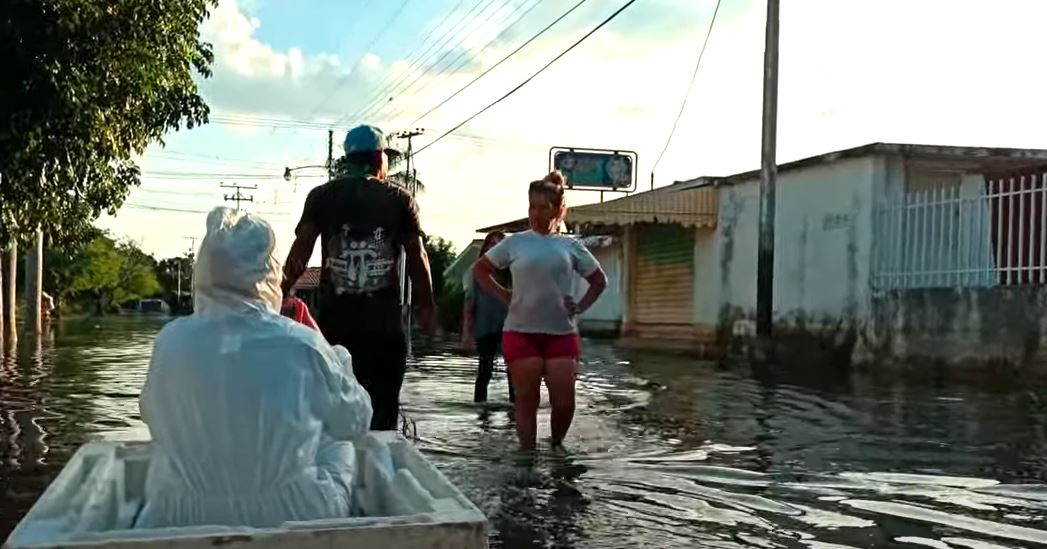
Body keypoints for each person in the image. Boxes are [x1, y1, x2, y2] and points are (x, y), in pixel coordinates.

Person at [138, 207, 373, 528]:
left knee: (166, 453)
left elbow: (154, 417)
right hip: (296, 513)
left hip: (178, 513)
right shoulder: (305, 344)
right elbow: (355, 423)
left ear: (204, 271)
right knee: (338, 442)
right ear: (271, 273)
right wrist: (340, 361)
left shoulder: (169, 341)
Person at [282, 124, 436, 431]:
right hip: (384, 332)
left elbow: (300, 254)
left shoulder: (321, 196)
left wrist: (278, 293)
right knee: (381, 421)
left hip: (334, 331)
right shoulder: (399, 199)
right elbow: (417, 256)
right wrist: (427, 309)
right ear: (380, 158)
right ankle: (377, 474)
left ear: (348, 159)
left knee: (334, 417)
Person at [473, 171, 607, 451]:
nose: (535, 213)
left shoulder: (570, 245)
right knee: (526, 400)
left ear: (558, 210)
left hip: (561, 333)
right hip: (521, 332)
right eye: (532, 206)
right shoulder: (516, 242)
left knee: (564, 403)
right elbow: (481, 269)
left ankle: (556, 447)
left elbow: (598, 281)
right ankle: (527, 457)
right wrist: (504, 294)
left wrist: (580, 307)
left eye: (543, 207)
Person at [460, 231, 513, 404]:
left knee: (514, 372)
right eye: (490, 244)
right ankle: (481, 418)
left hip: (510, 327)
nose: (493, 248)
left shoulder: (513, 272)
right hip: (485, 326)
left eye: (498, 244)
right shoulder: (477, 271)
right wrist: (467, 334)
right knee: (485, 370)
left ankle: (515, 415)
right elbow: (469, 304)